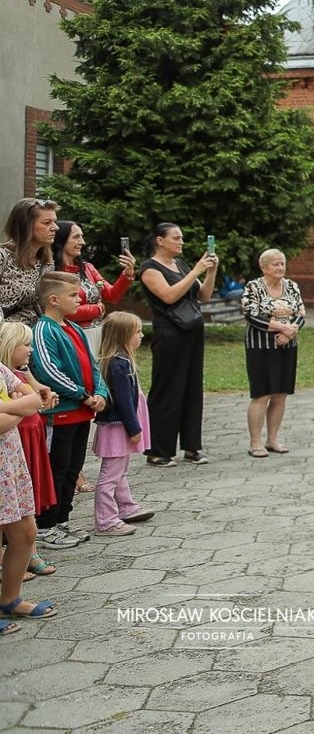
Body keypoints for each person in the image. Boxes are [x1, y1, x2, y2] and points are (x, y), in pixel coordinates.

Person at [31, 271, 107, 550]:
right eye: (73, 295)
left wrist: (100, 393)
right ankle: (45, 525)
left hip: (81, 412)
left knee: (73, 468)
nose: (80, 300)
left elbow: (93, 365)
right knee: (56, 469)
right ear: (54, 300)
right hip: (60, 414)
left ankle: (62, 519)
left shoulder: (73, 327)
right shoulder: (43, 330)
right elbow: (49, 372)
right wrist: (83, 396)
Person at [139, 223, 218, 466]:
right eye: (176, 238)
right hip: (169, 334)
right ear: (160, 240)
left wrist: (211, 272)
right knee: (167, 390)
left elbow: (203, 296)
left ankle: (192, 447)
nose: (181, 241)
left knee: (192, 389)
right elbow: (169, 295)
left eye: (181, 237)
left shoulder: (180, 265)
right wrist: (196, 271)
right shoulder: (150, 268)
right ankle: (158, 450)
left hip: (192, 332)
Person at [0, 330, 51, 630]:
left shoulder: (2, 369)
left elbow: (33, 399)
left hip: (9, 466)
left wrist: (9, 407)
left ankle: (10, 599)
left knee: (26, 533)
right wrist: (19, 407)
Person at [90, 312, 152, 535]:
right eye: (137, 332)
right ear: (123, 335)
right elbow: (124, 400)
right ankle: (106, 520)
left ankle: (126, 506)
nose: (141, 336)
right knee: (111, 474)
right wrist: (134, 428)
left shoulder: (121, 360)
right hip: (118, 426)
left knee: (120, 469)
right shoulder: (118, 364)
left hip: (121, 425)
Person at [239, 249, 305, 457]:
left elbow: (301, 312)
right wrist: (282, 327)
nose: (280, 267)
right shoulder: (253, 287)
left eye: (282, 263)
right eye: (275, 264)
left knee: (280, 394)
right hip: (260, 347)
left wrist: (291, 331)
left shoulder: (292, 286)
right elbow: (251, 315)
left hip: (287, 346)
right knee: (262, 393)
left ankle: (273, 439)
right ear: (263, 267)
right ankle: (255, 442)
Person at [53, 221, 136, 357]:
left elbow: (112, 295)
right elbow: (62, 311)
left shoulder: (87, 268)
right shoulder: (52, 272)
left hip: (97, 334)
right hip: (69, 336)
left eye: (82, 237)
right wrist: (97, 309)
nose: (82, 242)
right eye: (76, 237)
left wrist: (128, 273)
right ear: (61, 240)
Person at [0, 198, 59, 326]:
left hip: (35, 333)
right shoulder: (2, 257)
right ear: (26, 226)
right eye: (47, 222)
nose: (55, 227)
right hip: (7, 335)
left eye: (54, 222)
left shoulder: (47, 263)